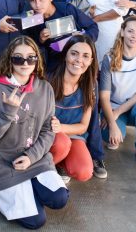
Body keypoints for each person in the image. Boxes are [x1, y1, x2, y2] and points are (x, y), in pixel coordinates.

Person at [0, 36, 68, 229]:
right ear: (9, 60)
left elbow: (48, 130)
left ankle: (28, 188)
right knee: (36, 221)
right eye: (18, 58)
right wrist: (7, 113)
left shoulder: (45, 88)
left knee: (59, 199)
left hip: (34, 159)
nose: (25, 63)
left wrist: (31, 157)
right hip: (2, 161)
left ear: (37, 60)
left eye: (31, 58)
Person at [99, 15, 136, 166]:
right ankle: (118, 128)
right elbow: (104, 96)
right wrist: (112, 123)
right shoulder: (109, 58)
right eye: (130, 31)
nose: (134, 36)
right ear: (122, 32)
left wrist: (118, 112)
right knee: (110, 138)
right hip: (114, 106)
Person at [48, 35, 100, 183]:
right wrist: (56, 130)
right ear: (65, 55)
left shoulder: (91, 85)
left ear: (91, 61)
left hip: (72, 135)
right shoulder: (48, 80)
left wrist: (61, 128)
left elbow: (83, 126)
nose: (79, 60)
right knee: (61, 143)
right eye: (74, 53)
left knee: (84, 172)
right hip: (48, 136)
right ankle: (42, 170)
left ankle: (59, 163)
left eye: (85, 56)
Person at [25, 0, 98, 71]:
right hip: (54, 67)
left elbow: (93, 27)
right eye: (33, 0)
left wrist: (82, 38)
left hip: (78, 64)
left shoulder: (67, 9)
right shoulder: (32, 20)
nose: (37, 5)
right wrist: (41, 40)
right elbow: (33, 50)